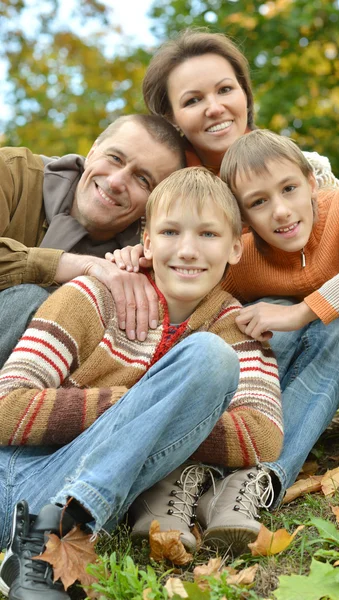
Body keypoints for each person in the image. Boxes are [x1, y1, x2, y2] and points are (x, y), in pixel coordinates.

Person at [107, 28, 339, 553]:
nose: (215, 108)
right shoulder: (168, 189)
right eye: (193, 100)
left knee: (323, 314)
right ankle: (196, 473)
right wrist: (131, 258)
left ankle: (255, 476)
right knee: (258, 318)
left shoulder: (304, 168)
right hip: (218, 350)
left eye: (226, 89)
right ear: (173, 118)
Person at [0, 167, 283, 598]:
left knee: (210, 356)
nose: (188, 250)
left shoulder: (237, 327)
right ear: (146, 241)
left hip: (81, 497)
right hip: (18, 476)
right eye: (171, 232)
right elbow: (5, 406)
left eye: (208, 235)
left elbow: (263, 436)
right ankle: (51, 535)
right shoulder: (93, 297)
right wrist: (141, 407)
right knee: (206, 359)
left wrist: (155, 413)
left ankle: (52, 534)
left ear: (235, 247)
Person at [220, 129, 339, 427]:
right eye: (258, 202)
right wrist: (139, 258)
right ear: (243, 218)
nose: (280, 211)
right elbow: (195, 297)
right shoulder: (243, 259)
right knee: (260, 311)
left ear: (311, 183)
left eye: (289, 188)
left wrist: (300, 313)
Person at [0, 114, 185, 368]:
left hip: (49, 386)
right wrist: (82, 266)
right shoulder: (12, 171)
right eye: (115, 158)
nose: (116, 181)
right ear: (93, 151)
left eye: (143, 179)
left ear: (152, 204)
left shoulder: (143, 257)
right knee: (30, 299)